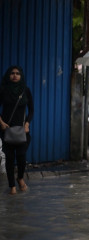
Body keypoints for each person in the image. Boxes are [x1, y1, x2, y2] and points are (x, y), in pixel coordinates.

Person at [0, 66, 34, 195]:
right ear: (8, 75)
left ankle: (20, 178)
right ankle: (11, 186)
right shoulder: (3, 90)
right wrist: (1, 123)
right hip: (6, 129)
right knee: (9, 158)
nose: (15, 75)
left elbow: (31, 109)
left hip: (22, 130)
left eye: (17, 73)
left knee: (21, 156)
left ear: (21, 76)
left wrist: (27, 124)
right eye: (12, 73)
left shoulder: (25, 90)